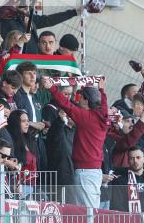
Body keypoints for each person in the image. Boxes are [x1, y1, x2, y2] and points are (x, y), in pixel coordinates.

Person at [43, 76, 108, 209]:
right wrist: (102, 90)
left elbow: (66, 105)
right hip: (95, 171)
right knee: (90, 210)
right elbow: (104, 105)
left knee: (87, 213)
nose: (77, 100)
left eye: (81, 97)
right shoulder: (103, 115)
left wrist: (52, 88)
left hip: (85, 172)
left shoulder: (86, 117)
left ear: (86, 100)